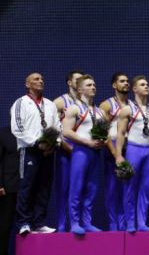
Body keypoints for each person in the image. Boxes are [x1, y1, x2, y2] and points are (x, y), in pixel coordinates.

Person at [11, 73, 59, 235]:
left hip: (48, 151)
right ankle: (24, 222)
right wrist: (37, 143)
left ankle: (39, 223)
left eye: (42, 79)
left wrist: (54, 144)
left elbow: (57, 127)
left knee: (44, 187)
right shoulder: (21, 103)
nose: (40, 81)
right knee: (27, 187)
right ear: (27, 84)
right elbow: (18, 127)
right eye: (36, 79)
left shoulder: (50, 104)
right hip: (30, 150)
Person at [62, 74, 105, 235]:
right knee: (77, 187)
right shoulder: (74, 108)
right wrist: (86, 142)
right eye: (88, 85)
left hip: (96, 153)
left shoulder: (99, 111)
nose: (93, 87)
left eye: (94, 84)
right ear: (79, 89)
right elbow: (66, 131)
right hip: (81, 152)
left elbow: (103, 132)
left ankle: (87, 222)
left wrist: (103, 140)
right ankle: (74, 223)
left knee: (92, 188)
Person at [115, 75, 149, 232]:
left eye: (147, 84)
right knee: (130, 187)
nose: (146, 86)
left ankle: (141, 222)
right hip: (133, 149)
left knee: (146, 188)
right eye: (142, 84)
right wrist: (119, 155)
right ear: (134, 89)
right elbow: (120, 133)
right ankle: (130, 222)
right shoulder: (128, 109)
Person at [98, 72, 131, 231]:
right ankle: (113, 224)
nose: (126, 83)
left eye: (127, 81)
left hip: (130, 149)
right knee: (112, 189)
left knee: (128, 188)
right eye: (122, 81)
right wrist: (114, 153)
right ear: (114, 85)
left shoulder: (133, 106)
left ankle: (125, 223)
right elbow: (101, 132)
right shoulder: (106, 105)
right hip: (111, 150)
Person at [52, 70, 84, 232]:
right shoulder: (59, 102)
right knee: (63, 188)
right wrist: (63, 145)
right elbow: (50, 126)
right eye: (77, 80)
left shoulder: (85, 103)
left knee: (80, 188)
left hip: (82, 152)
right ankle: (62, 225)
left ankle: (78, 224)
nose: (80, 82)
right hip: (65, 150)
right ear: (70, 83)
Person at [0, 127, 19, 255]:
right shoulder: (3, 133)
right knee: (4, 226)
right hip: (7, 188)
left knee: (25, 227)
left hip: (25, 188)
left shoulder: (30, 132)